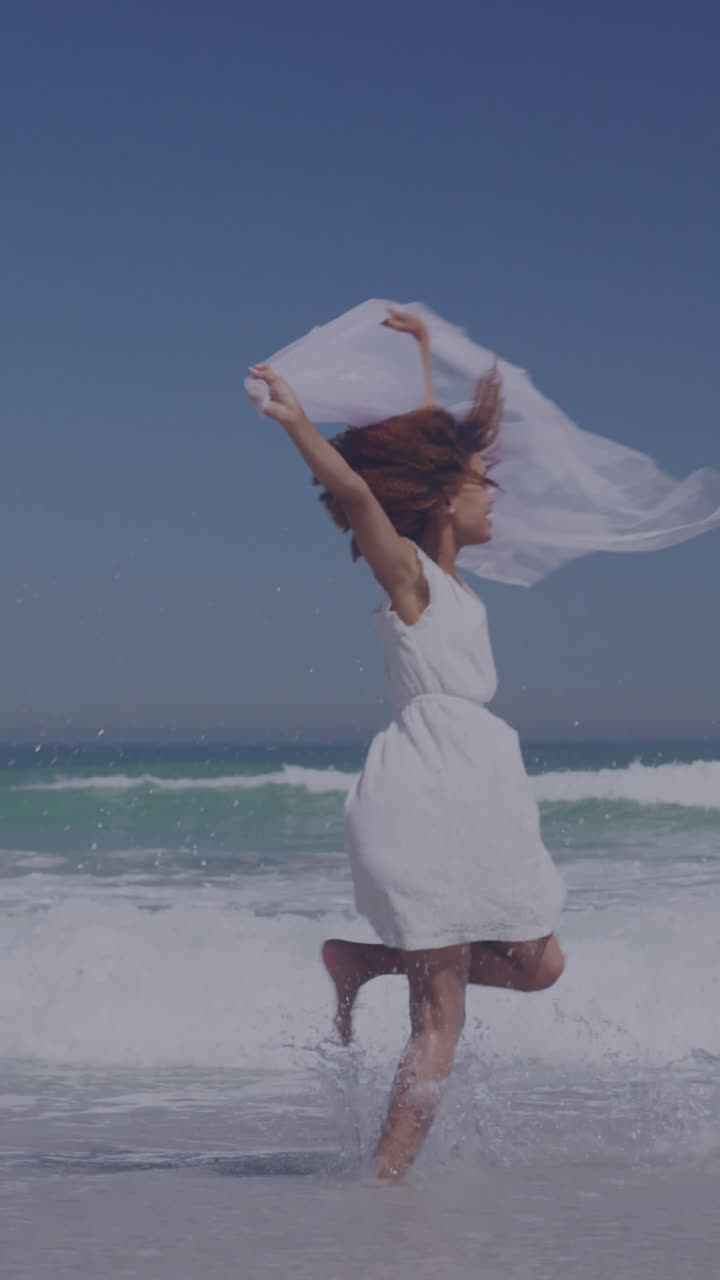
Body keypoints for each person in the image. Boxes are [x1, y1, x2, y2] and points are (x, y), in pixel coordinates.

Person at [249, 309, 567, 1180]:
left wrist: (421, 360)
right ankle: (384, 1202)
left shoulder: (450, 584)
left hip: (477, 794)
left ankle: (362, 962)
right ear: (445, 500)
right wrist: (298, 423)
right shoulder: (411, 581)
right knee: (440, 1020)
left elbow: (422, 464)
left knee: (540, 965)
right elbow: (363, 498)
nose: (493, 495)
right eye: (481, 483)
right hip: (428, 794)